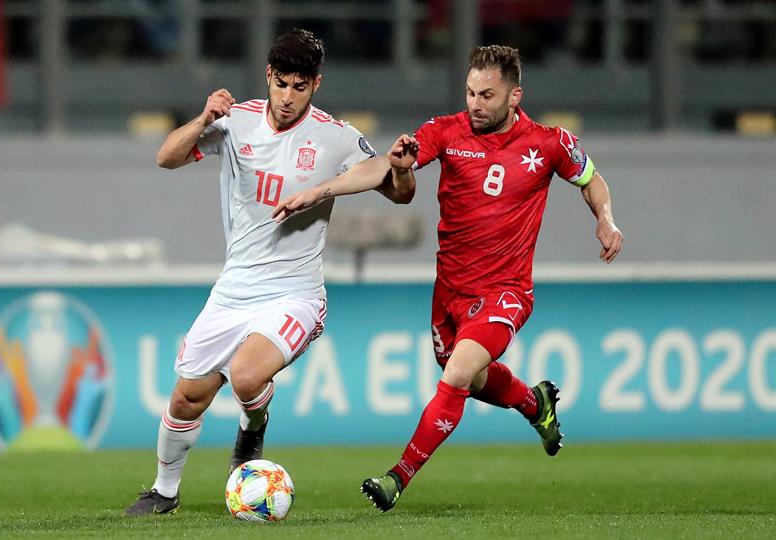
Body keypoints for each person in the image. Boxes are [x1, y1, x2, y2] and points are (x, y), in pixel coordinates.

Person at [273, 44, 623, 512]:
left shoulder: (549, 143)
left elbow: (591, 179)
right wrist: (324, 189)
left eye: (487, 95)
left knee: (458, 372)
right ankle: (535, 404)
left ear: (514, 96)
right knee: (471, 379)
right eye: (470, 92)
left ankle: (396, 478)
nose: (475, 104)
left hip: (506, 291)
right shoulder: (445, 131)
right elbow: (387, 170)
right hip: (451, 292)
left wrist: (605, 218)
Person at [124, 28, 414, 516]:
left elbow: (395, 187)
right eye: (281, 84)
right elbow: (165, 157)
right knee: (186, 398)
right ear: (268, 76)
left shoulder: (334, 136)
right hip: (234, 288)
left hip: (295, 293)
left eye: (300, 87)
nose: (287, 97)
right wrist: (202, 118)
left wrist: (369, 178)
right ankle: (164, 492)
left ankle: (251, 428)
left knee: (244, 376)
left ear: (316, 85)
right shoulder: (235, 121)